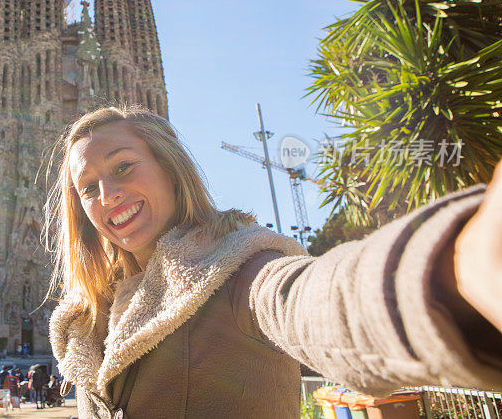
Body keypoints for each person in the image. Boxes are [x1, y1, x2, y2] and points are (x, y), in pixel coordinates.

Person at [47, 106, 502, 418]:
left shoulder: (236, 266)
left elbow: (313, 300)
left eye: (123, 166)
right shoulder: (92, 316)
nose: (107, 195)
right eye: (87, 187)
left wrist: (455, 271)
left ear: (169, 167)